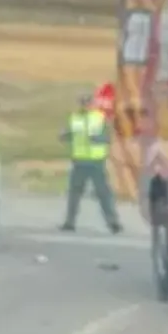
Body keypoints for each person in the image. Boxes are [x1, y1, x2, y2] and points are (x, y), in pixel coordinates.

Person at [59, 92, 123, 234]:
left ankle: (113, 223)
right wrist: (64, 136)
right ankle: (70, 222)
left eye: (87, 103)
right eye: (83, 102)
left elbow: (109, 137)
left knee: (103, 194)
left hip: (96, 162)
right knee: (74, 194)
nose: (85, 105)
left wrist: (99, 138)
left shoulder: (100, 118)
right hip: (79, 161)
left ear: (92, 104)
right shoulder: (74, 118)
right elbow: (70, 134)